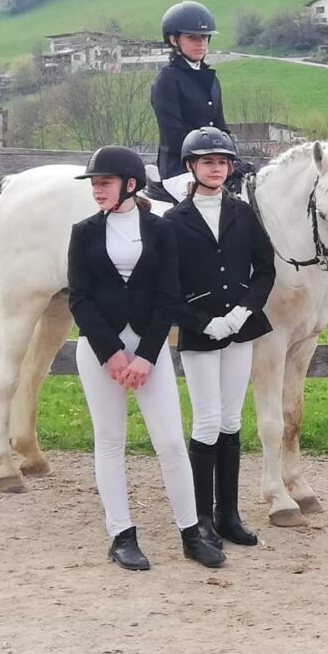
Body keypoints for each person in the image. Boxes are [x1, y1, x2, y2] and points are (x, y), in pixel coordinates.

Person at [67, 145, 226, 571]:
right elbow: (79, 298)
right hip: (100, 350)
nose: (97, 190)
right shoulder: (83, 232)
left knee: (171, 442)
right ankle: (121, 535)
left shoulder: (160, 230)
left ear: (130, 184)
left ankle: (191, 533)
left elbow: (168, 296)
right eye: (94, 183)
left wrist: (145, 357)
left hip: (149, 348)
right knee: (110, 441)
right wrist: (111, 353)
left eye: (105, 182)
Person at [164, 127, 277, 549]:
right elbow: (166, 288)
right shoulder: (174, 221)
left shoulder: (242, 213)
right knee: (207, 419)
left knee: (231, 420)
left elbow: (264, 269)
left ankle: (229, 514)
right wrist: (200, 321)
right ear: (191, 166)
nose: (216, 168)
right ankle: (202, 518)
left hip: (240, 328)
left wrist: (243, 311)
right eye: (208, 162)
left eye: (223, 162)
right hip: (201, 333)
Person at [150, 0, 228, 203]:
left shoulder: (212, 80)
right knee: (204, 201)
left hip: (212, 166)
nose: (200, 43)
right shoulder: (166, 80)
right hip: (179, 169)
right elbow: (174, 136)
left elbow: (221, 128)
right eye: (192, 37)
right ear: (174, 40)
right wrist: (207, 160)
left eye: (204, 37)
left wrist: (231, 157)